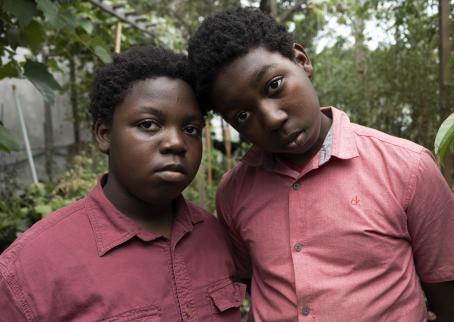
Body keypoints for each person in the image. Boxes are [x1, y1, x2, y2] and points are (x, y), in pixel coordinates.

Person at [188, 7, 454, 322]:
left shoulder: (408, 168)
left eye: (274, 85)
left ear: (301, 60)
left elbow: (446, 294)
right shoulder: (234, 192)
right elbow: (252, 281)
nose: (273, 119)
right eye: (243, 116)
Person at [0, 46, 245, 321]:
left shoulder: (217, 236)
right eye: (149, 125)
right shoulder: (31, 266)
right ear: (104, 135)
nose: (176, 143)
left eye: (190, 130)